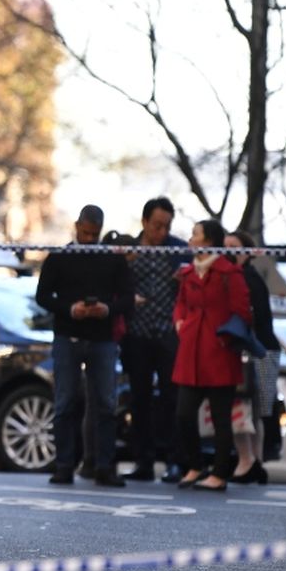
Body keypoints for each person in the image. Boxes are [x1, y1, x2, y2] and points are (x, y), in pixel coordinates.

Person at [34, 204, 134, 488]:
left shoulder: (113, 260)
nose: (89, 238)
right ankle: (64, 464)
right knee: (65, 402)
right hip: (68, 336)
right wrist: (69, 309)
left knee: (105, 404)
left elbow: (127, 299)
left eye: (94, 234)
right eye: (85, 232)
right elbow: (43, 296)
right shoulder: (59, 257)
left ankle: (104, 465)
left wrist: (107, 309)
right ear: (77, 226)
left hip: (102, 338)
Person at [171, 219, 251, 492]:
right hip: (191, 350)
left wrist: (226, 338)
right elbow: (181, 303)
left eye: (195, 234)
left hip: (219, 353)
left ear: (208, 241)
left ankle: (218, 473)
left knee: (220, 418)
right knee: (183, 414)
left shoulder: (229, 273)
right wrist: (180, 321)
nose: (191, 239)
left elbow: (242, 312)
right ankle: (195, 465)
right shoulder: (189, 272)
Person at [120, 197, 188, 482]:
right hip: (136, 335)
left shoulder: (179, 250)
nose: (162, 232)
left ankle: (175, 461)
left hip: (168, 335)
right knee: (140, 400)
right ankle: (143, 461)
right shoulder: (127, 250)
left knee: (172, 400)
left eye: (167, 226)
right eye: (157, 225)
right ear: (145, 222)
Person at [223, 230, 279, 485]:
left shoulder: (245, 278)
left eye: (234, 247)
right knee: (257, 410)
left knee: (246, 407)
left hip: (254, 351)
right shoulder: (252, 277)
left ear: (247, 251)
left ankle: (248, 461)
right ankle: (255, 461)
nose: (227, 251)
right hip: (264, 350)